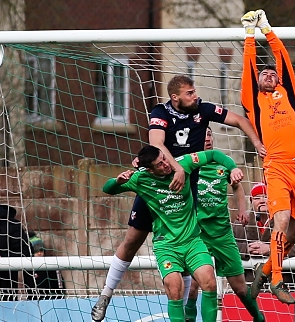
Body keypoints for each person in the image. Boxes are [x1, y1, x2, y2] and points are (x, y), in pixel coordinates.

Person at [92, 74, 265, 321]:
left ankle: (185, 314)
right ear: (175, 97)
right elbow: (156, 143)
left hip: (185, 187)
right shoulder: (160, 113)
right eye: (189, 93)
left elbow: (238, 120)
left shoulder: (202, 110)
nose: (195, 96)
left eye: (194, 92)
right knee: (132, 240)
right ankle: (106, 295)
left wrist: (257, 144)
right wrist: (176, 168)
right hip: (158, 182)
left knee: (188, 252)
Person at [102, 145, 244, 322]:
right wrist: (118, 181)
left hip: (193, 241)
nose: (166, 164)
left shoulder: (182, 164)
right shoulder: (140, 179)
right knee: (174, 288)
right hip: (167, 246)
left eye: (164, 158)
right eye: (159, 164)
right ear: (149, 169)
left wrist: (233, 168)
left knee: (209, 281)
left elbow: (214, 154)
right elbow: (107, 188)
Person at [240, 10, 295, 304]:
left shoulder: (288, 93)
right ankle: (277, 280)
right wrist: (249, 35)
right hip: (276, 167)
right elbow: (248, 68)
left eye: (272, 73)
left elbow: (282, 58)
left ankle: (266, 269)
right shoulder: (253, 101)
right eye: (263, 73)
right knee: (280, 220)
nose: (269, 75)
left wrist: (269, 30)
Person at [184, 128, 264, 322]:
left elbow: (237, 187)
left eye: (210, 134)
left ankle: (259, 318)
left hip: (222, 234)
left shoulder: (223, 163)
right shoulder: (188, 164)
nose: (208, 138)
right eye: (204, 135)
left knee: (240, 287)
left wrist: (242, 210)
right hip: (198, 235)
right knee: (195, 285)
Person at [233, 183, 295, 291]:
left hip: (288, 286)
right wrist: (246, 249)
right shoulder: (240, 223)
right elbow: (229, 246)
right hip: (251, 288)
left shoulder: (287, 219)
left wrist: (270, 248)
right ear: (251, 201)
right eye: (257, 198)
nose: (262, 201)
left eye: (266, 197)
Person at [28, 232, 66, 299]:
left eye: (41, 250)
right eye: (36, 251)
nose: (39, 253)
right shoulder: (28, 268)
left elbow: (60, 287)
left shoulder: (52, 266)